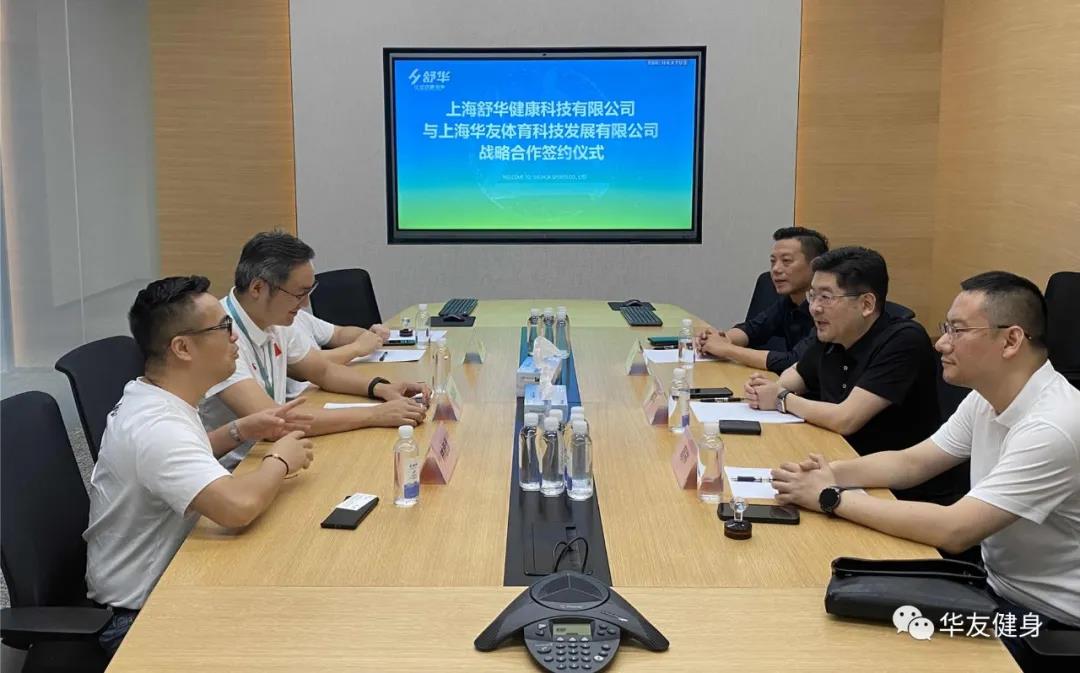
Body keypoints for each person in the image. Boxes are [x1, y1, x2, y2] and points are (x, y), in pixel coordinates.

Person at [768, 271, 1079, 670]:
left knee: (863, 649)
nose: (941, 343)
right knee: (843, 619)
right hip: (993, 588)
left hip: (1047, 625)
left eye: (957, 331)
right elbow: (912, 463)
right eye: (945, 329)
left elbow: (955, 530)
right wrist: (830, 472)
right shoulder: (986, 398)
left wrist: (831, 498)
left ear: (1011, 340)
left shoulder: (1053, 425)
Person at [84, 276, 316, 655]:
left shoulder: (157, 397)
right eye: (223, 327)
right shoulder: (157, 427)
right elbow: (236, 507)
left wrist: (241, 429)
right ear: (183, 348)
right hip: (138, 620)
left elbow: (183, 457)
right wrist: (280, 460)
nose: (234, 336)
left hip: (169, 582)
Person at [745, 246, 968, 505]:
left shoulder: (904, 340)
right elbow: (794, 376)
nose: (814, 308)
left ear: (866, 304)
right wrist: (769, 389)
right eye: (812, 296)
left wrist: (781, 399)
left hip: (899, 493)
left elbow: (845, 419)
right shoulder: (833, 333)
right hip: (842, 466)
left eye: (826, 297)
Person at [200, 231, 431, 468]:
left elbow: (323, 372)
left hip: (278, 451)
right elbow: (274, 421)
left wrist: (381, 388)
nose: (305, 304)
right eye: (299, 294)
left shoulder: (274, 319)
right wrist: (375, 415)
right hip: (236, 469)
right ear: (258, 288)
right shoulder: (218, 335)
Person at [696, 226, 827, 374]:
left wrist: (727, 349)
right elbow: (752, 329)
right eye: (773, 261)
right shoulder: (788, 302)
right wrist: (720, 339)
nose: (776, 269)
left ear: (815, 266)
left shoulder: (826, 310)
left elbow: (794, 361)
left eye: (786, 261)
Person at [286, 306, 390, 399]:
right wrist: (357, 347)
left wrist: (367, 335)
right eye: (299, 294)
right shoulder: (280, 325)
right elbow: (313, 366)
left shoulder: (298, 315)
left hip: (327, 387)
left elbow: (338, 333)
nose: (305, 303)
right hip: (306, 397)